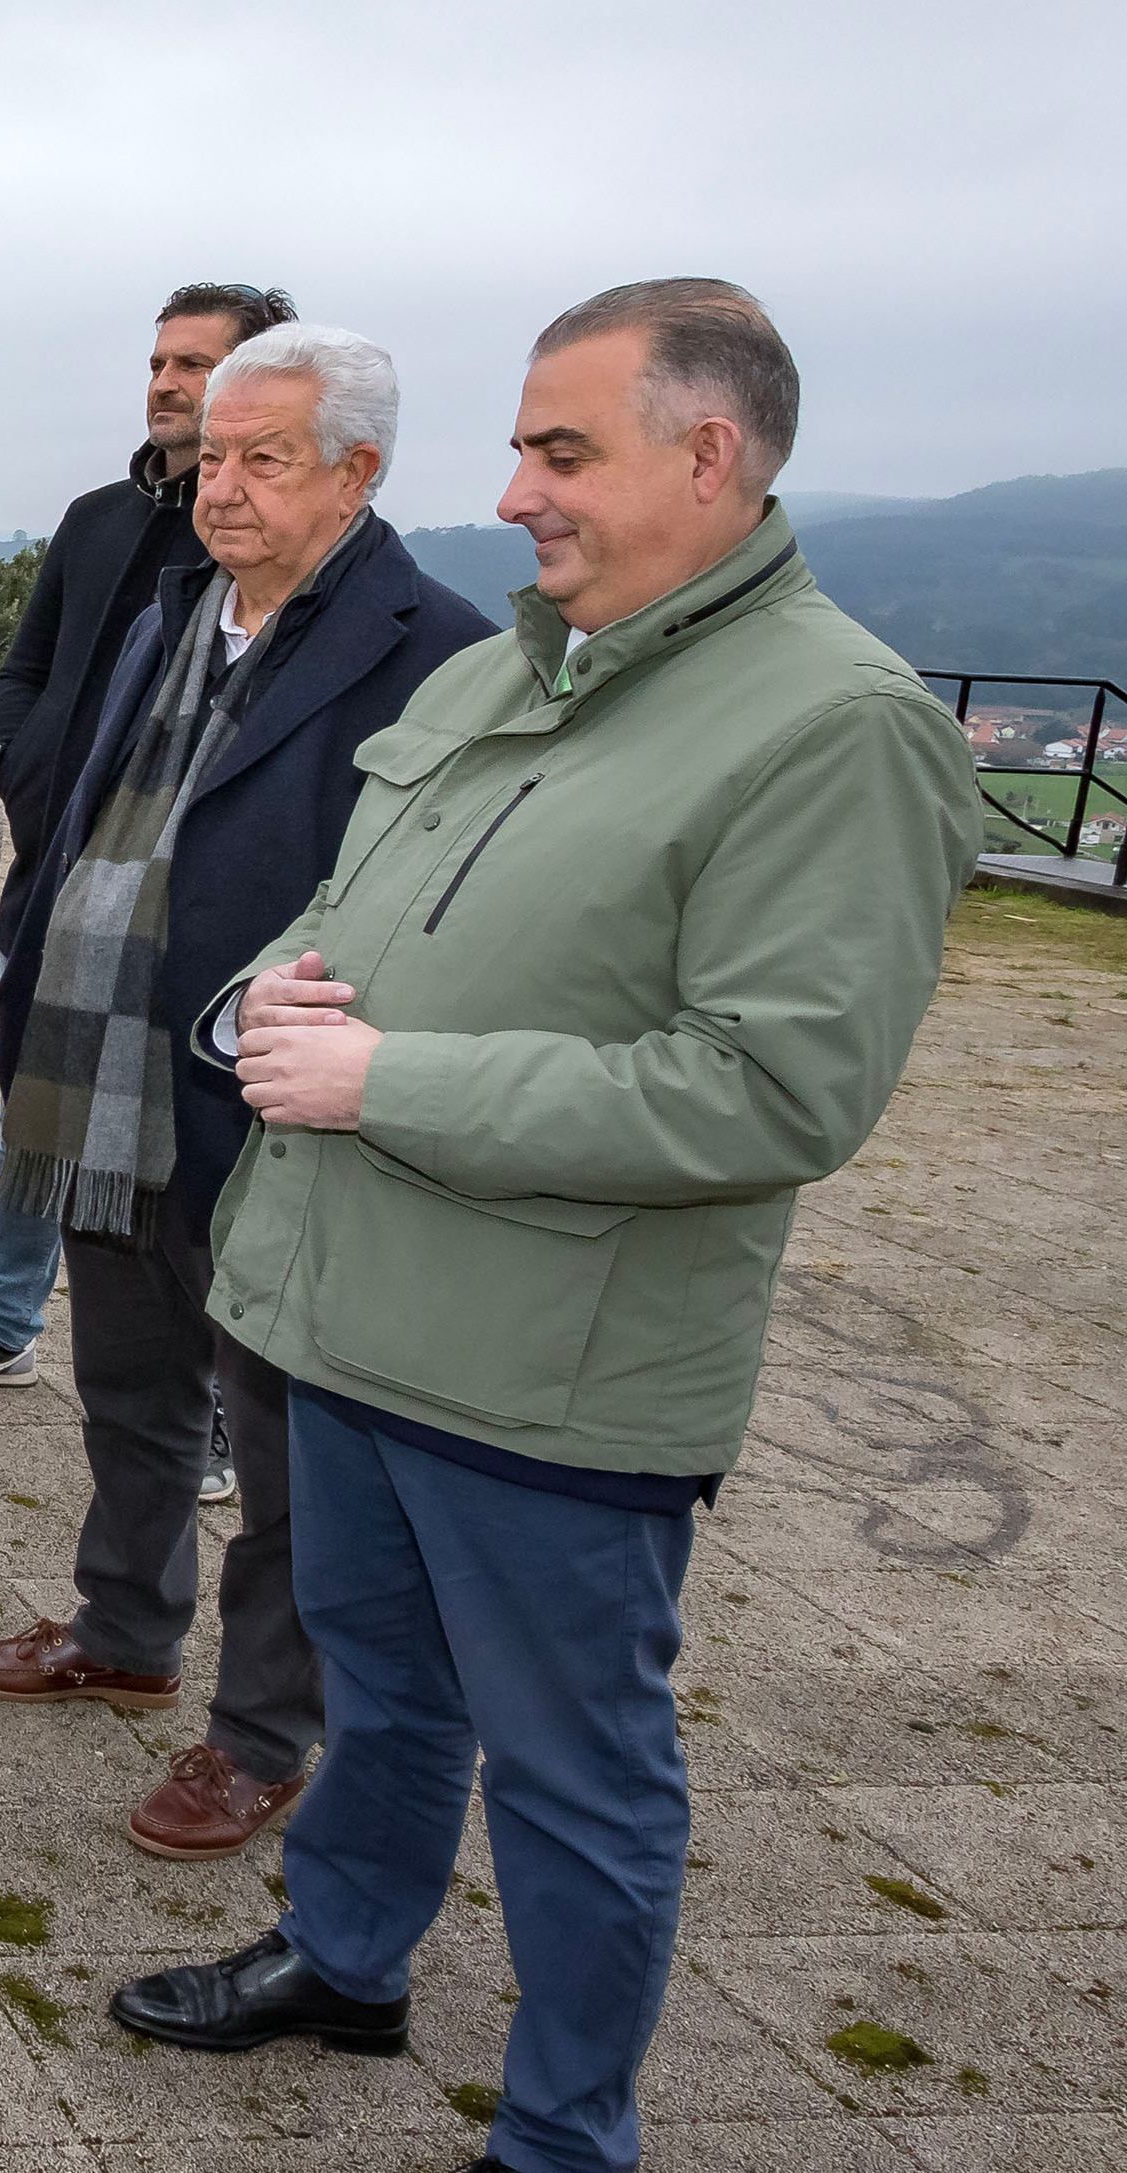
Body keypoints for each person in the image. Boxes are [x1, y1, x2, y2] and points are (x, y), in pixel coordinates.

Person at [110, 282, 979, 2173]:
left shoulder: (842, 727)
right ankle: (349, 1961)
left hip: (549, 1378)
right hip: (342, 1318)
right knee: (383, 1692)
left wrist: (385, 1083)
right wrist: (251, 1006)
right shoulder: (508, 668)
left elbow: (774, 1094)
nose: (510, 493)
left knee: (579, 1778)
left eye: (558, 452)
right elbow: (346, 919)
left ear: (710, 455)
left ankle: (566, 2131)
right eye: (519, 446)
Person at [0, 324, 489, 1865]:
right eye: (214, 456)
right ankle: (123, 1630)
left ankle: (265, 1734)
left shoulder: (432, 646)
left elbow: (418, 902)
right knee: (131, 1396)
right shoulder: (173, 612)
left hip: (268, 1109)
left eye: (267, 460)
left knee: (283, 1454)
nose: (222, 487)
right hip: (100, 1089)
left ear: (360, 472)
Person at [0, 283, 297, 1416]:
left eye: (196, 364)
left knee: (196, 1135)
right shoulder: (92, 516)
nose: (167, 383)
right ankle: (8, 1320)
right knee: (42, 1098)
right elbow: (25, 666)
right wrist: (23, 764)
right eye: (160, 361)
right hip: (58, 869)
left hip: (195, 898)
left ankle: (217, 1391)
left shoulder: (262, 539)